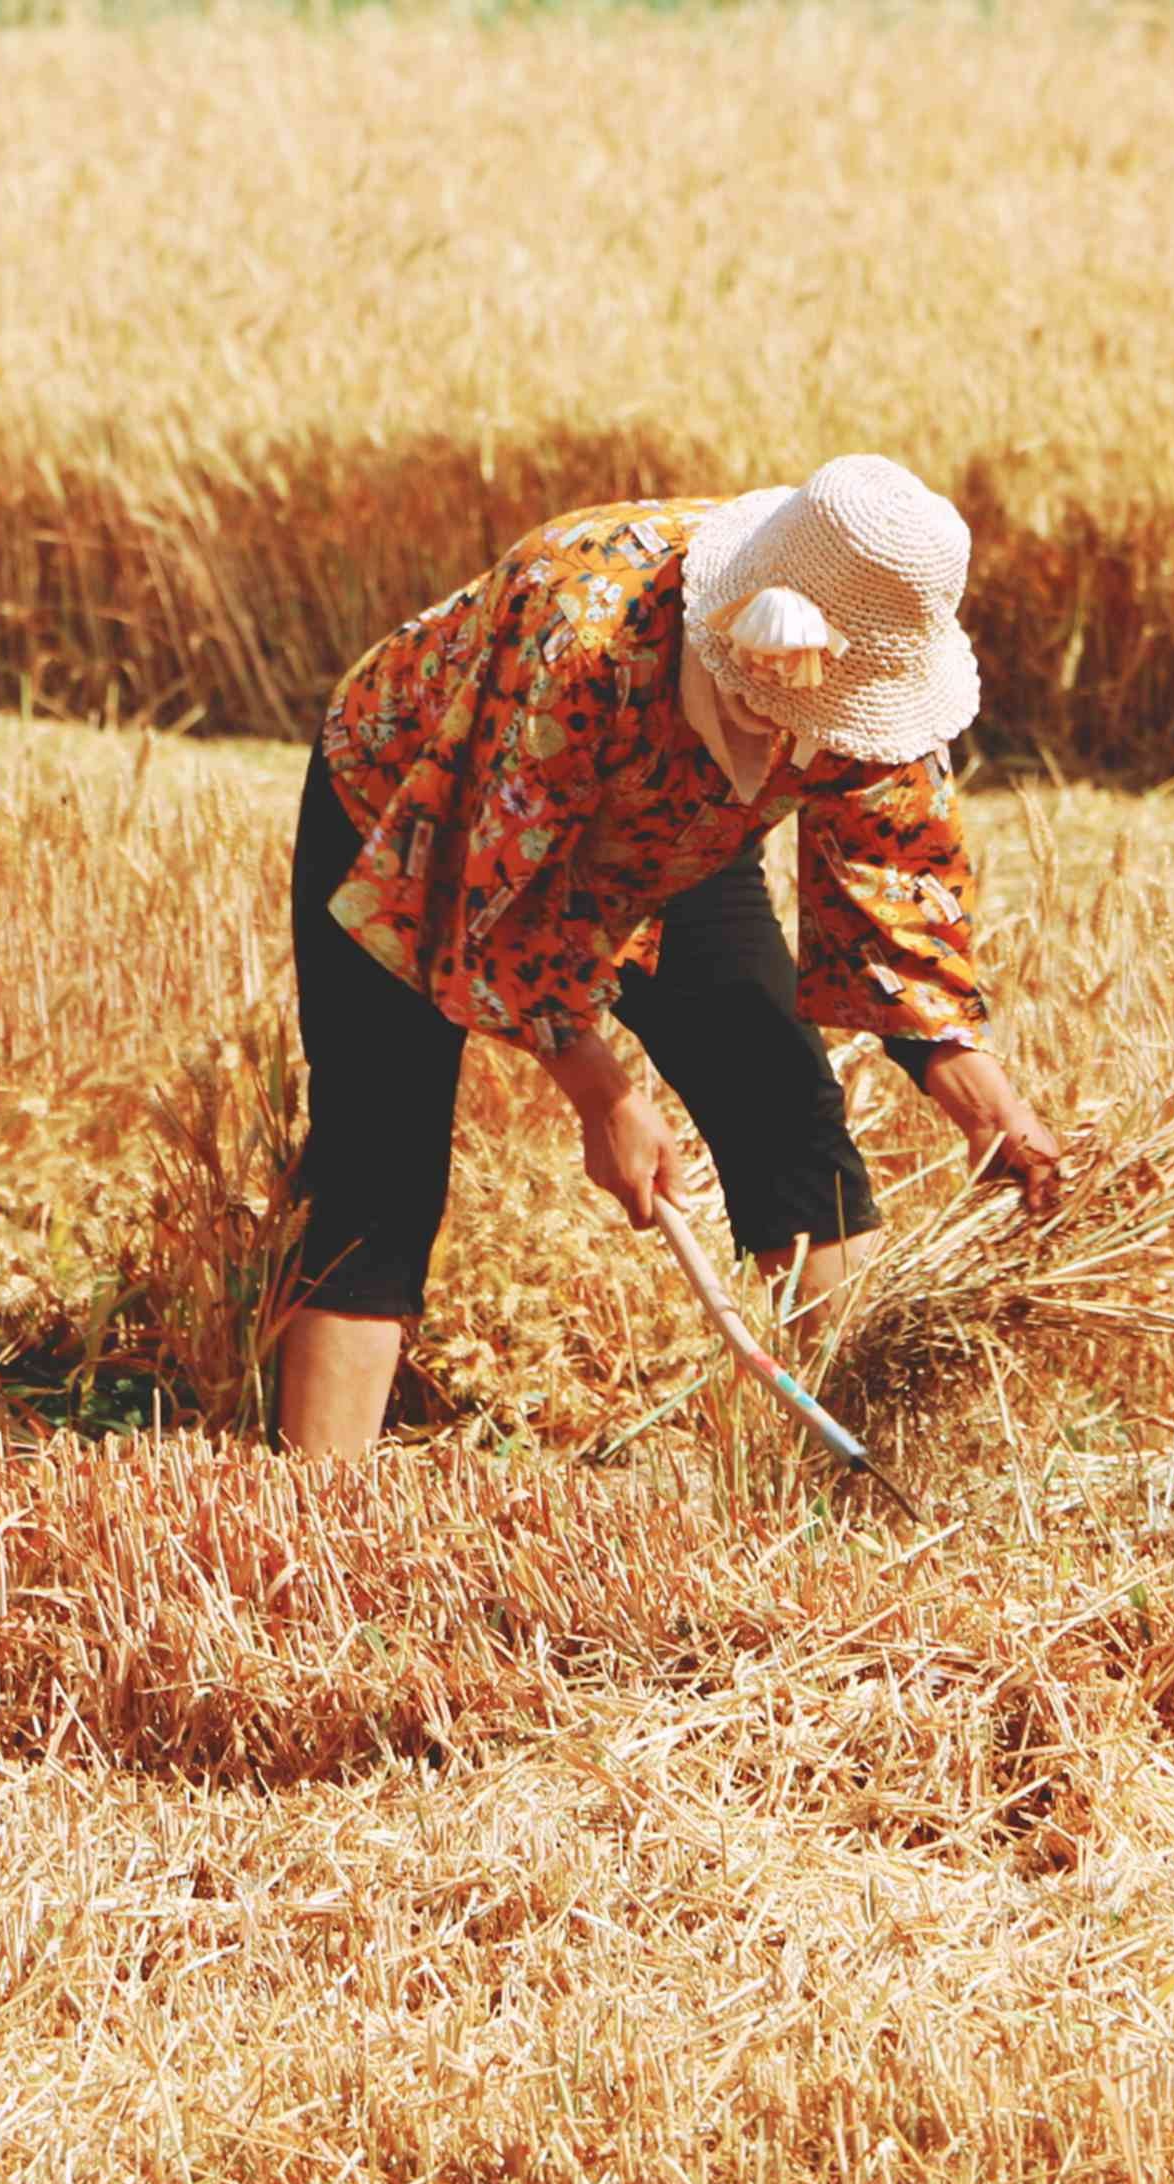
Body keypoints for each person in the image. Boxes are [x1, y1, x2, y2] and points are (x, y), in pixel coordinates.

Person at [279, 453, 1065, 1456]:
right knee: (381, 1158)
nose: (810, 748)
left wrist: (982, 1100)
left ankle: (864, 1469)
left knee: (784, 1107)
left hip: (674, 834)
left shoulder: (876, 650)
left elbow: (890, 891)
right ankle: (313, 1510)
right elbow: (502, 894)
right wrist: (605, 1097)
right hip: (419, 815)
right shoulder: (580, 623)